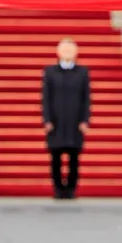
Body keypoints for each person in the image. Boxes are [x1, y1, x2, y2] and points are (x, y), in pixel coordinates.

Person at [42, 38, 90, 199]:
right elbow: (46, 97)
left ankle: (70, 188)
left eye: (71, 49)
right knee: (55, 156)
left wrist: (85, 120)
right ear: (58, 52)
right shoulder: (50, 72)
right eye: (65, 49)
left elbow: (86, 98)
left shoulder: (82, 72)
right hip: (56, 122)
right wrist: (47, 119)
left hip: (74, 122)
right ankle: (57, 188)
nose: (68, 52)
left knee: (74, 157)